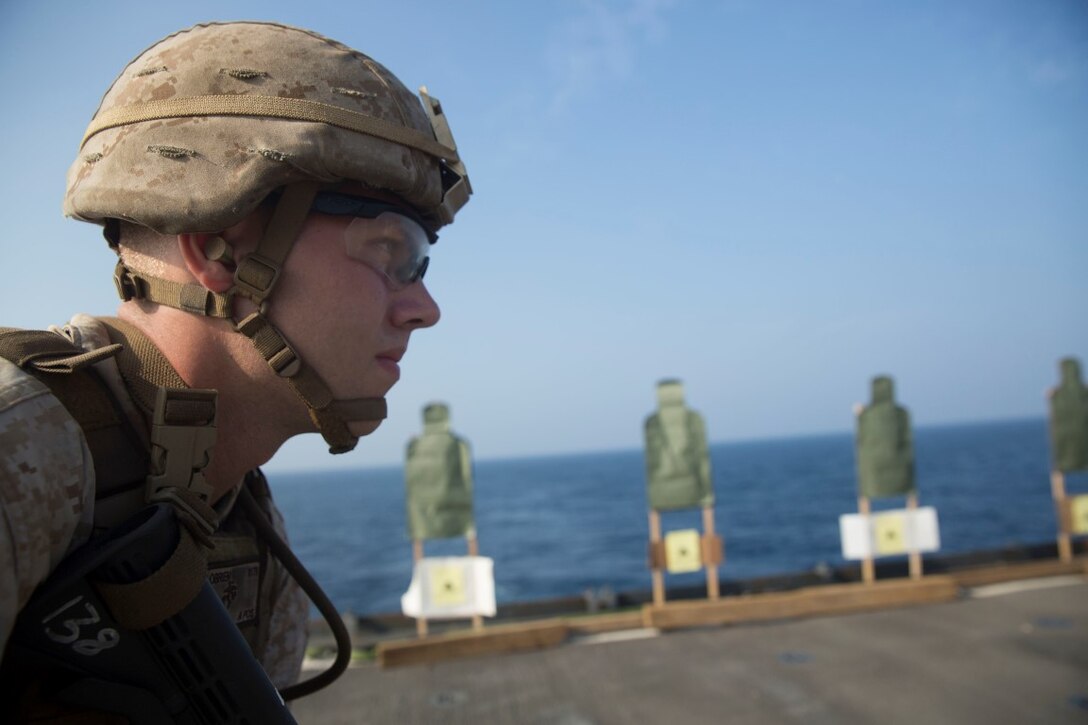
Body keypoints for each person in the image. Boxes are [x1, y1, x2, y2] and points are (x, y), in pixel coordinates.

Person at [0, 20, 471, 717]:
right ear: (218, 252)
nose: (423, 308)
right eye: (388, 252)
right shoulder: (19, 457)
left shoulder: (238, 514)